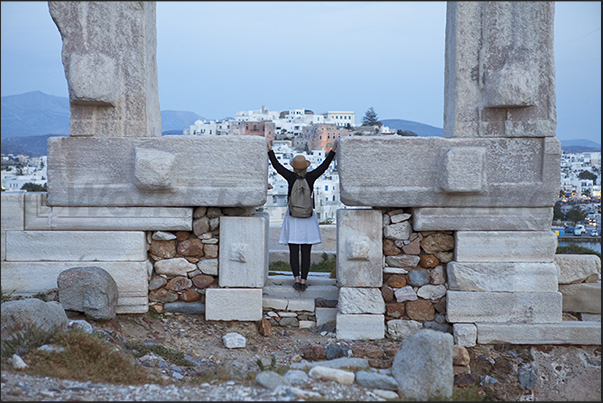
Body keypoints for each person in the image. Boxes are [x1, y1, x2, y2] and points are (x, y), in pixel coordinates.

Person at [267, 140, 338, 291]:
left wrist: (269, 150)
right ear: (306, 167)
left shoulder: (290, 177)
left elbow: (277, 166)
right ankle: (304, 281)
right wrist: (333, 151)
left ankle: (296, 279)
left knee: (294, 251)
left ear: (293, 167)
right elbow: (324, 166)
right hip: (307, 218)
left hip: (293, 217)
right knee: (306, 251)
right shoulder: (311, 177)